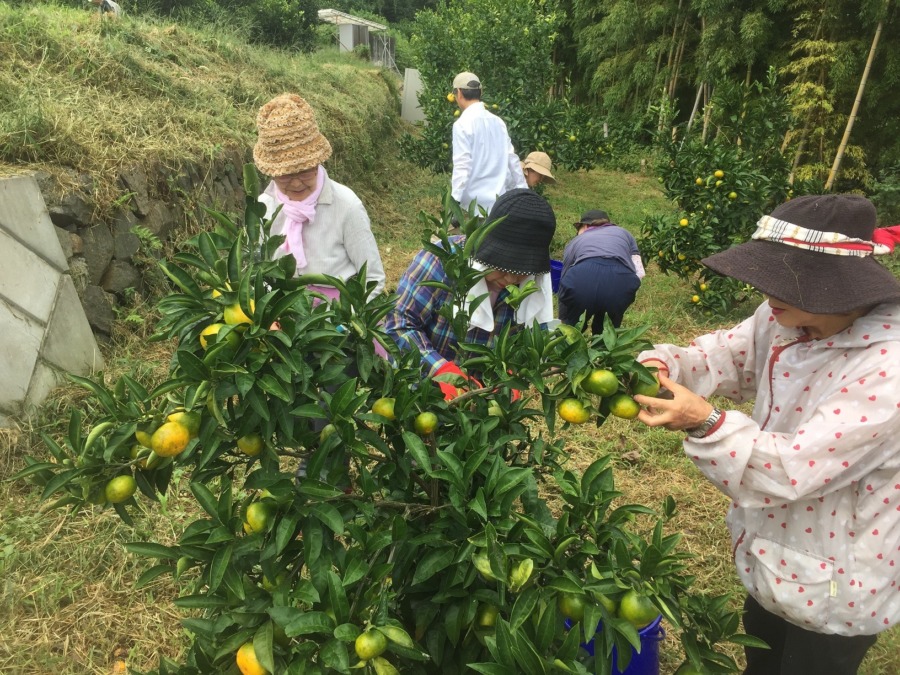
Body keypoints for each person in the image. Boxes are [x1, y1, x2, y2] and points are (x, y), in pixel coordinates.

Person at [632, 195, 900, 675]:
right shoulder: (783, 317)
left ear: (835, 290)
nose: (764, 290)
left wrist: (706, 422)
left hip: (840, 585)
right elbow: (729, 354)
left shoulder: (887, 369)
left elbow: (792, 467)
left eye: (782, 282)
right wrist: (669, 363)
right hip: (778, 556)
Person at [385, 188, 556, 399]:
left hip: (482, 405)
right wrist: (439, 369)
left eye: (520, 271)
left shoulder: (529, 284)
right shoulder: (441, 262)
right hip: (423, 396)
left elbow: (529, 337)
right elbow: (398, 324)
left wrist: (513, 372)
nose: (511, 279)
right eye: (505, 266)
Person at [253, 93, 385, 300]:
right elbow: (257, 273)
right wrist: (266, 313)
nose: (296, 183)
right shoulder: (264, 208)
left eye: (305, 170)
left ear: (317, 162)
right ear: (271, 172)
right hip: (281, 315)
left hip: (339, 314)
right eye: (286, 174)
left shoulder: (346, 206)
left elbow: (373, 278)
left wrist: (346, 323)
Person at [451, 72, 527, 217]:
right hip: (500, 205)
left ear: (459, 93)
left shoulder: (462, 125)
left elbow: (462, 166)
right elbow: (512, 159)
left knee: (474, 240)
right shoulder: (498, 122)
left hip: (474, 208)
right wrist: (523, 191)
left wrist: (454, 203)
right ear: (481, 92)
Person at [557, 210, 644, 332]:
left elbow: (564, 278)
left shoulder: (575, 241)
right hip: (621, 281)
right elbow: (639, 271)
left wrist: (564, 317)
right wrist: (625, 292)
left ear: (586, 226)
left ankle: (569, 346)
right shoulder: (625, 233)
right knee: (606, 334)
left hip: (582, 278)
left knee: (572, 331)